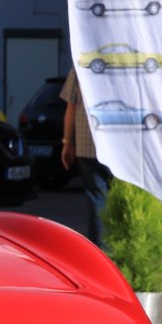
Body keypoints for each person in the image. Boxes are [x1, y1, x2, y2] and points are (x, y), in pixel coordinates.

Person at [59, 69, 114, 246]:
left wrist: (67, 142)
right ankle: (123, 250)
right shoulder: (128, 60)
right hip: (120, 145)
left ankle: (100, 251)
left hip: (88, 143)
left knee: (98, 199)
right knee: (124, 199)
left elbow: (71, 106)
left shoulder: (81, 61)